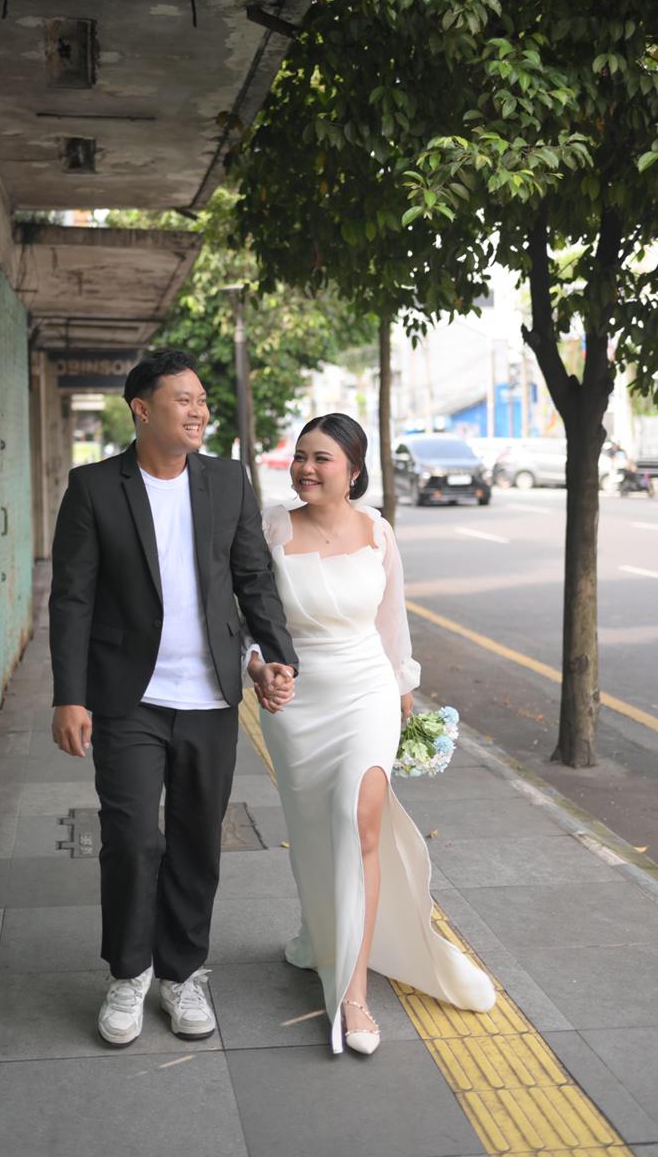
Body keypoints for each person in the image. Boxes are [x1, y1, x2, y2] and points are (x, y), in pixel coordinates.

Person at [48, 349, 298, 1047]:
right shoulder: (95, 487)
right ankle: (129, 973)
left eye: (202, 400)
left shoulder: (227, 480)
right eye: (183, 398)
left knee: (196, 840)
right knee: (132, 838)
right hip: (128, 696)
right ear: (142, 408)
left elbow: (253, 577)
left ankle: (182, 975)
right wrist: (70, 695)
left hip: (211, 695)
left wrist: (274, 656)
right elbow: (72, 598)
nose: (198, 410)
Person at [247, 413, 495, 1055]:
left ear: (353, 470)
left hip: (366, 691)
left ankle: (353, 995)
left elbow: (392, 620)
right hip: (297, 701)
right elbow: (248, 614)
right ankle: (319, 935)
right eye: (300, 456)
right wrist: (257, 666)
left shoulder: (378, 530)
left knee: (360, 823)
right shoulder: (272, 525)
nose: (305, 468)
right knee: (312, 831)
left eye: (321, 458)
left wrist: (404, 689)